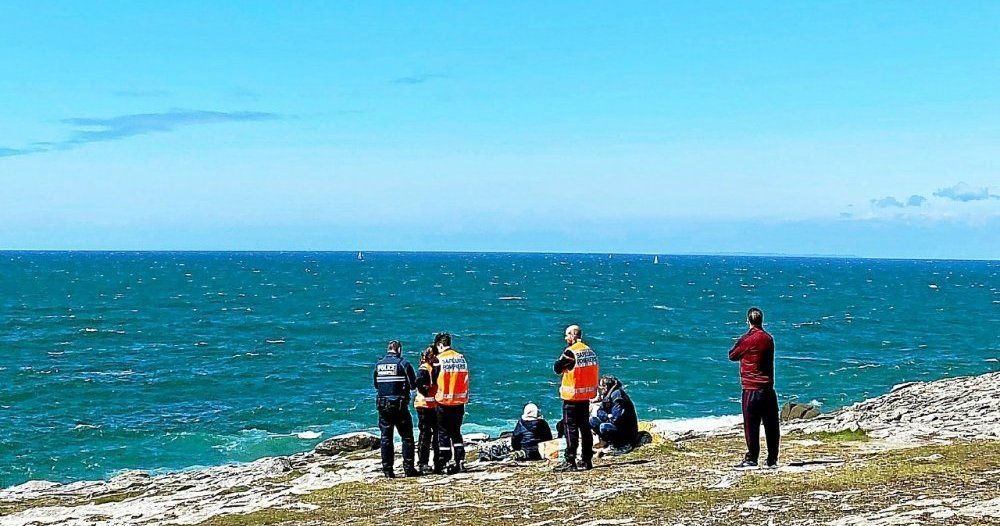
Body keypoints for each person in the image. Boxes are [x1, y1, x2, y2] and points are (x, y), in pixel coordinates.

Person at [729, 307, 780, 469]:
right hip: (767, 388)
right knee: (771, 425)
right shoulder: (768, 339)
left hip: (751, 388)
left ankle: (752, 458)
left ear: (748, 321)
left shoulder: (746, 340)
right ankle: (772, 459)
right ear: (761, 320)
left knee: (751, 426)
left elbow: (732, 355)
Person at [553, 324, 599, 471]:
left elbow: (557, 368)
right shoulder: (590, 351)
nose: (565, 338)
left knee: (570, 429)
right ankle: (587, 459)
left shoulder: (571, 353)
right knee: (585, 428)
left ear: (573, 335)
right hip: (585, 397)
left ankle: (570, 460)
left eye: (567, 335)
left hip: (572, 397)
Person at [372, 340, 419, 478]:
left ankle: (388, 470)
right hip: (399, 405)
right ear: (399, 350)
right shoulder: (403, 364)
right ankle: (409, 468)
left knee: (386, 437)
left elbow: (376, 385)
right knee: (407, 437)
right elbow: (412, 385)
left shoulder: (379, 365)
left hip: (383, 405)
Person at [432, 332, 469, 474]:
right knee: (456, 432)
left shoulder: (439, 360)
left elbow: (433, 379)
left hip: (443, 401)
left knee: (443, 433)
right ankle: (460, 460)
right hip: (459, 401)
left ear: (440, 345)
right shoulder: (461, 358)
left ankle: (445, 461)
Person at [590, 375, 639, 454]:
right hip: (613, 423)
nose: (601, 389)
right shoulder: (608, 395)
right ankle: (606, 442)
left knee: (603, 427)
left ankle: (621, 445)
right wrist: (607, 416)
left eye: (602, 386)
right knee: (592, 421)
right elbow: (600, 411)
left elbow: (617, 418)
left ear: (606, 386)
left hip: (625, 430)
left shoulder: (617, 396)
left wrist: (607, 418)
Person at [413, 345, 439, 474]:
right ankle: (423, 463)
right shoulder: (425, 369)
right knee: (426, 434)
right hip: (424, 405)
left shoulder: (431, 368)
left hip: (432, 404)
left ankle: (436, 462)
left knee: (435, 434)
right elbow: (417, 382)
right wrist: (426, 391)